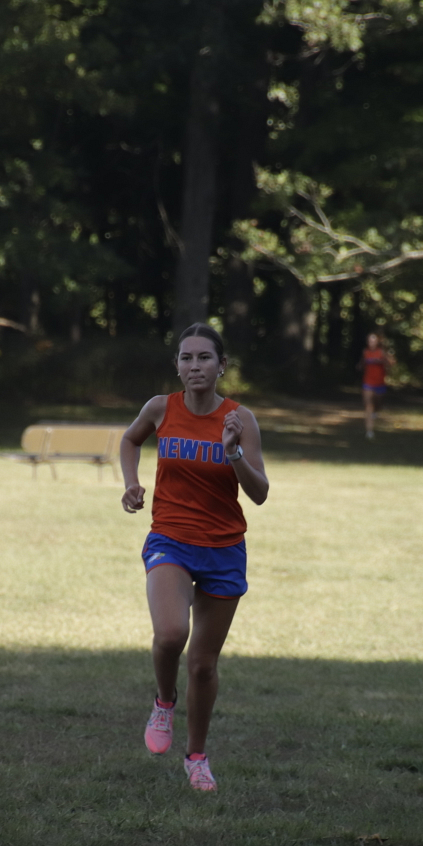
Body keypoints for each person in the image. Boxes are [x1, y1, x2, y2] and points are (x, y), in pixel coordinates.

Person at [119, 323, 269, 791]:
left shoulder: (240, 419)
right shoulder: (161, 408)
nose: (195, 366)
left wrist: (234, 453)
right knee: (170, 634)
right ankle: (164, 702)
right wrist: (131, 483)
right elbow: (130, 440)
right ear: (177, 366)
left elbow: (260, 493)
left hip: (224, 548)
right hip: (171, 538)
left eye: (205, 358)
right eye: (186, 358)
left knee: (203, 666)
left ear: (221, 366)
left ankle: (197, 757)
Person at [356, 331, 394, 438]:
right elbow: (361, 364)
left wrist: (382, 361)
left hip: (380, 383)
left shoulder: (381, 352)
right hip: (367, 383)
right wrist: (360, 366)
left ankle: (376, 411)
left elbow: (390, 363)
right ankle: (369, 431)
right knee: (368, 406)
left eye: (373, 340)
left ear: (377, 342)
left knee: (378, 403)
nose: (371, 342)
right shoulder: (365, 352)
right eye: (369, 340)